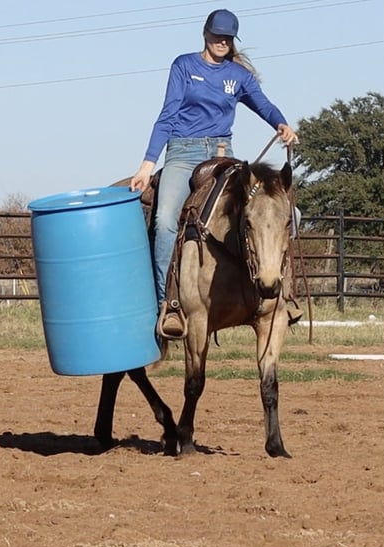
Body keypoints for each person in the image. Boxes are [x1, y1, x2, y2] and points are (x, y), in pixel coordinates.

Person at [130, 9, 299, 338]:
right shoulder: (184, 66)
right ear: (205, 34)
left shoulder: (238, 75)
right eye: (216, 35)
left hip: (223, 153)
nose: (221, 41)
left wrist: (281, 123)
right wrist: (148, 164)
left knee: (285, 213)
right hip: (182, 152)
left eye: (227, 37)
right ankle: (171, 305)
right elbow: (167, 115)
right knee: (165, 220)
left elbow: (262, 103)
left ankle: (281, 296)